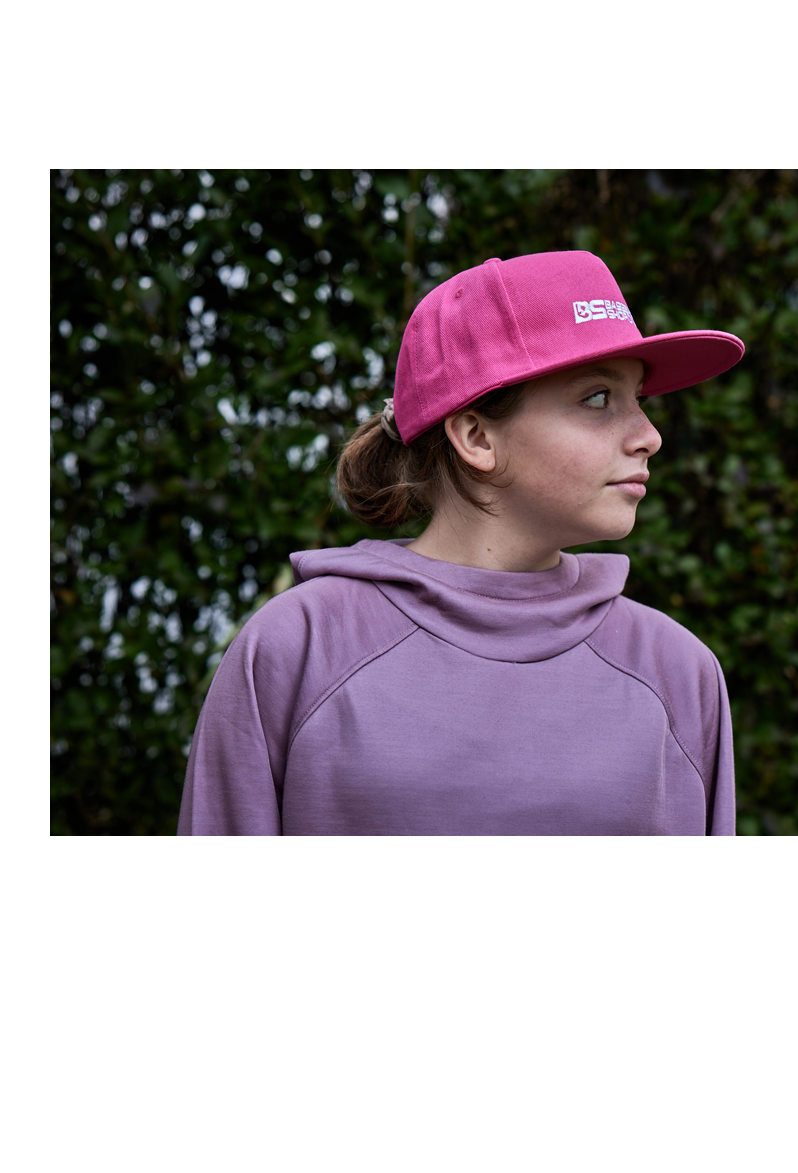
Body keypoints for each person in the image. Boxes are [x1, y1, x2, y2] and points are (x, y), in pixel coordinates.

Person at [177, 250, 746, 835]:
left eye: (639, 400)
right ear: (476, 436)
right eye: (598, 398)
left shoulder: (680, 672)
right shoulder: (297, 650)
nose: (650, 436)